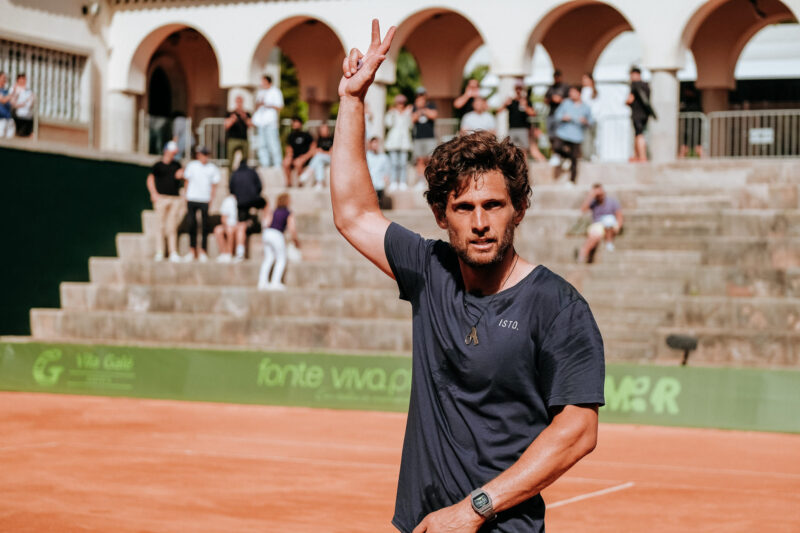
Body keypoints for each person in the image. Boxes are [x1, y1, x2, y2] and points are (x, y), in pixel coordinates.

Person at [331, 20, 604, 533]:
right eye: (463, 207)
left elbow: (579, 428)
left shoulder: (558, 305)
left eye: (493, 205)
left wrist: (474, 509)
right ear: (441, 215)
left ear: (519, 209)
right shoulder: (429, 270)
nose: (480, 222)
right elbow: (353, 213)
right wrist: (352, 100)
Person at [146, 141, 185, 262]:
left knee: (172, 226)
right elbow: (150, 179)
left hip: (175, 199)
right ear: (166, 151)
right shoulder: (157, 165)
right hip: (161, 198)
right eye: (171, 152)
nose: (173, 155)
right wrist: (154, 194)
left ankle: (173, 252)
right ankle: (160, 251)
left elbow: (183, 176)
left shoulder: (177, 165)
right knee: (160, 226)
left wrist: (182, 174)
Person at [182, 146, 221, 262]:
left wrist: (211, 199)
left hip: (204, 199)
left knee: (204, 226)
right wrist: (186, 196)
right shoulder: (192, 166)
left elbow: (214, 185)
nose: (204, 157)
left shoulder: (212, 168)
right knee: (191, 224)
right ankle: (192, 250)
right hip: (192, 198)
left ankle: (203, 251)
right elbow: (187, 182)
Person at [258, 193, 300, 291]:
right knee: (281, 259)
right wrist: (296, 240)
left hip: (267, 233)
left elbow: (267, 223)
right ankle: (275, 282)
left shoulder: (274, 211)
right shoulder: (288, 212)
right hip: (277, 234)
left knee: (268, 258)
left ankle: (262, 282)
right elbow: (292, 228)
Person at [551, 86, 593, 184]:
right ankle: (565, 158)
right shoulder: (566, 103)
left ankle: (572, 181)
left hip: (577, 136)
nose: (571, 94)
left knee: (574, 158)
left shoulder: (586, 107)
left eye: (573, 92)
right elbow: (557, 115)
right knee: (557, 147)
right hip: (564, 132)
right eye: (570, 92)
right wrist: (563, 117)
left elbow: (591, 121)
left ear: (579, 93)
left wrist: (585, 121)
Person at [228, 157, 266, 262]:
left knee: (241, 224)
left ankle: (240, 251)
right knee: (265, 205)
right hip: (253, 199)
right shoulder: (253, 172)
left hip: (241, 202)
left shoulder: (235, 173)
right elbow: (260, 186)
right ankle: (266, 225)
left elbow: (231, 189)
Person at [578, 183, 623, 262]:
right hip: (597, 225)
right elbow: (583, 210)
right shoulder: (593, 202)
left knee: (609, 220)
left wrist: (618, 226)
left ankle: (609, 242)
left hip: (610, 225)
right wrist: (591, 196)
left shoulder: (612, 201)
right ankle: (583, 253)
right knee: (594, 236)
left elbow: (619, 216)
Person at [253, 75, 284, 168]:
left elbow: (280, 106)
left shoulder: (275, 91)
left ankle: (277, 163)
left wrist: (268, 105)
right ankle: (264, 163)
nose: (262, 83)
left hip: (271, 122)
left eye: (263, 81)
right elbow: (256, 106)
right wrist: (259, 104)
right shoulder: (261, 92)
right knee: (262, 144)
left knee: (273, 143)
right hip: (261, 122)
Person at [384, 93, 413, 191]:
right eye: (399, 103)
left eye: (402, 103)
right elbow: (388, 124)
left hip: (404, 142)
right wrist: (391, 113)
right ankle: (393, 182)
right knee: (394, 163)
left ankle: (402, 182)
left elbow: (410, 126)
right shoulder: (392, 113)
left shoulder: (407, 113)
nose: (400, 105)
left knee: (403, 163)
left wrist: (408, 114)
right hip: (393, 142)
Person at [626, 67, 655, 162]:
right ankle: (636, 155)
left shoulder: (634, 85)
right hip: (645, 114)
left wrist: (626, 102)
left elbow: (629, 100)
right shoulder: (646, 85)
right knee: (638, 134)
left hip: (637, 114)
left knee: (639, 134)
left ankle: (642, 156)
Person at [412, 87, 438, 187]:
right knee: (419, 160)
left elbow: (434, 115)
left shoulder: (431, 105)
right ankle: (420, 181)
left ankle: (431, 179)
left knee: (430, 159)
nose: (420, 97)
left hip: (430, 137)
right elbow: (413, 119)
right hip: (418, 137)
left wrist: (423, 108)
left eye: (422, 95)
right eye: (419, 95)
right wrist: (419, 109)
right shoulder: (415, 107)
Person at [282, 117, 315, 187]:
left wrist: (305, 157)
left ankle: (300, 182)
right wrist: (289, 156)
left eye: (296, 122)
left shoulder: (307, 135)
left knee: (298, 163)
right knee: (285, 162)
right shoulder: (290, 135)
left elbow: (313, 148)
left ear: (300, 124)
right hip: (294, 157)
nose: (295, 124)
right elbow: (288, 148)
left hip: (304, 158)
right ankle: (289, 183)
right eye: (293, 122)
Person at [299, 123, 334, 189]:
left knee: (319, 156)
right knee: (319, 163)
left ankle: (308, 172)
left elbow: (331, 153)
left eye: (325, 129)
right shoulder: (318, 140)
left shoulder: (332, 139)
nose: (324, 131)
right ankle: (319, 182)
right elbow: (313, 151)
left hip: (330, 158)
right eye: (322, 129)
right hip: (320, 159)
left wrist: (321, 152)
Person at [544, 69, 568, 159]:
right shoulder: (551, 88)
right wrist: (551, 99)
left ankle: (560, 155)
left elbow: (569, 101)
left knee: (560, 136)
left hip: (561, 116)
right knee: (551, 136)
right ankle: (554, 154)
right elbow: (545, 100)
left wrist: (560, 100)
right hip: (551, 114)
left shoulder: (565, 87)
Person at [225, 95, 252, 170]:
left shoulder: (246, 114)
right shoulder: (230, 113)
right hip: (233, 139)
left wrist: (244, 118)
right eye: (238, 102)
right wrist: (233, 119)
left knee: (245, 158)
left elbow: (251, 124)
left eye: (240, 102)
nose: (239, 104)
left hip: (244, 139)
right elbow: (226, 126)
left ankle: (243, 173)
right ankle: (230, 175)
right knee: (230, 159)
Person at [214, 193, 238, 263]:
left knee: (230, 230)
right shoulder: (228, 201)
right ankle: (223, 253)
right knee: (218, 230)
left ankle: (229, 253)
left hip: (238, 225)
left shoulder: (244, 199)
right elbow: (223, 218)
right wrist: (227, 226)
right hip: (229, 225)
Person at [366, 136, 390, 205]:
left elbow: (386, 171)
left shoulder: (383, 157)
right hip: (370, 185)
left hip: (379, 185)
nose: (375, 145)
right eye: (373, 143)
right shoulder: (367, 156)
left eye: (376, 143)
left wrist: (386, 179)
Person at [580, 74, 599, 161]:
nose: (583, 81)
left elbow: (585, 105)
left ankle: (590, 155)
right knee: (589, 138)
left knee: (590, 138)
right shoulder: (588, 91)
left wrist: (588, 118)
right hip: (590, 119)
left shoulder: (588, 91)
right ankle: (590, 155)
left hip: (590, 119)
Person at [11, 73, 34, 138]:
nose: (23, 81)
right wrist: (21, 105)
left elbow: (31, 101)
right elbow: (12, 102)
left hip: (28, 115)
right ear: (18, 80)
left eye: (24, 79)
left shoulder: (28, 90)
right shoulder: (14, 89)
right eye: (22, 79)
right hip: (18, 116)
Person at [0, 72, 14, 138]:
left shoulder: (6, 91)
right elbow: (3, 100)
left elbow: (13, 103)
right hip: (1, 120)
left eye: (5, 78)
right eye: (3, 78)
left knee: (9, 140)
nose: (5, 80)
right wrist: (12, 95)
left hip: (8, 119)